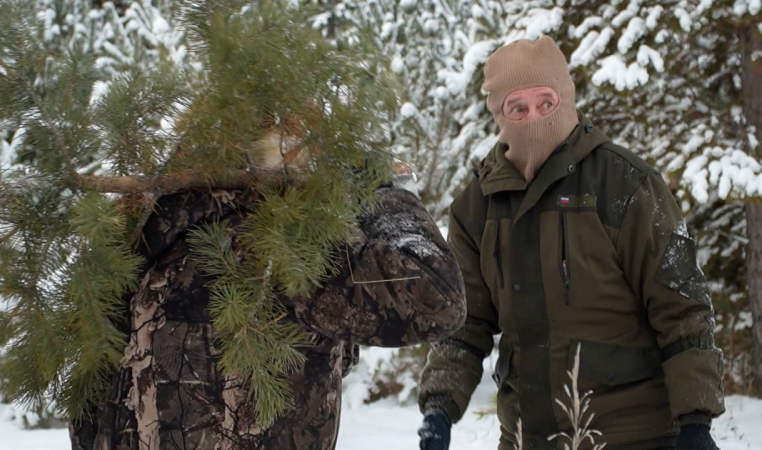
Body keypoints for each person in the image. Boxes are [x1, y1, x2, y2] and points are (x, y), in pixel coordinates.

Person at [417, 35, 725, 450]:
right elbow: (462, 323)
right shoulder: (476, 206)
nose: (535, 118)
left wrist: (696, 420)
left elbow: (682, 309)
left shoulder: (625, 185)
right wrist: (439, 407)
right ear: (499, 116)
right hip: (526, 438)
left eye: (547, 103)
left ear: (566, 99)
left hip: (633, 436)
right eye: (518, 108)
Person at [68, 136, 466, 450]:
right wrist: (385, 195)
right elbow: (438, 297)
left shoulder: (138, 236)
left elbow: (91, 407)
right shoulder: (281, 248)